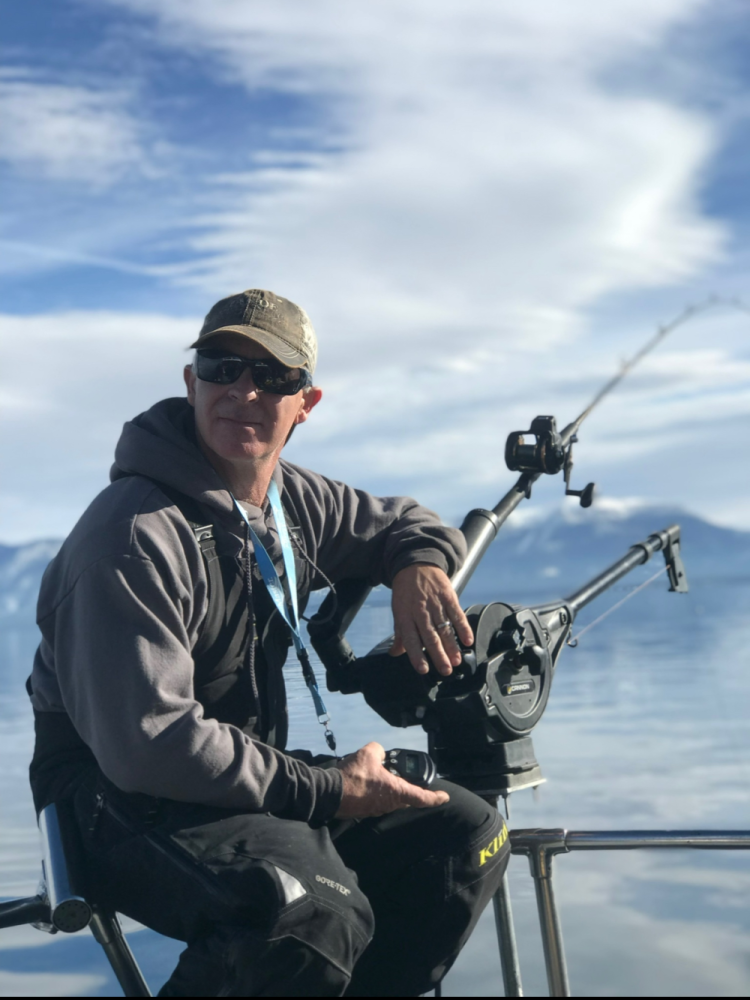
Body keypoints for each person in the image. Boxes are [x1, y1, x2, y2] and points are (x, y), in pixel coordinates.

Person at [28, 289, 510, 997]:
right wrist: (332, 790)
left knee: (466, 835)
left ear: (305, 403)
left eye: (274, 377)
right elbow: (150, 743)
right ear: (192, 384)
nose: (244, 391)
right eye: (223, 368)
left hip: (235, 773)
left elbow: (399, 520)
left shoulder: (290, 501)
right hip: (111, 794)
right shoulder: (133, 536)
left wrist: (418, 565)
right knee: (305, 912)